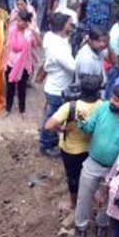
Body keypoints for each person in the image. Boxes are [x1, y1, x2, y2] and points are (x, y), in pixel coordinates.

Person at [74, 83, 119, 237]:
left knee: (109, 199)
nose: (111, 101)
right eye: (112, 97)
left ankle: (102, 224)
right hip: (93, 162)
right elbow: (89, 128)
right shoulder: (103, 108)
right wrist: (83, 121)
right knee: (84, 196)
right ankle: (81, 226)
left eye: (117, 100)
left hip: (117, 169)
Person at [45, 76, 104, 208]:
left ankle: (73, 203)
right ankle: (90, 196)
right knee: (88, 174)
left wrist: (61, 129)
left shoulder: (70, 107)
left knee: (72, 177)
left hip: (71, 150)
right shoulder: (102, 105)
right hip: (91, 148)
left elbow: (48, 126)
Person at [41, 13, 77, 157]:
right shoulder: (58, 49)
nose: (72, 26)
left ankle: (51, 139)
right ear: (63, 27)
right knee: (52, 117)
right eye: (69, 24)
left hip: (54, 85)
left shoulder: (51, 37)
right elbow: (73, 68)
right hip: (58, 88)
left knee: (52, 115)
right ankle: (46, 144)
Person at [3, 10, 39, 117]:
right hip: (10, 62)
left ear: (26, 22)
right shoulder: (12, 30)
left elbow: (38, 44)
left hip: (23, 65)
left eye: (20, 21)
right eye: (17, 20)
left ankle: (22, 110)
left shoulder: (29, 33)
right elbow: (6, 44)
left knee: (22, 89)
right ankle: (8, 108)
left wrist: (34, 32)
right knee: (10, 88)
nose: (17, 23)